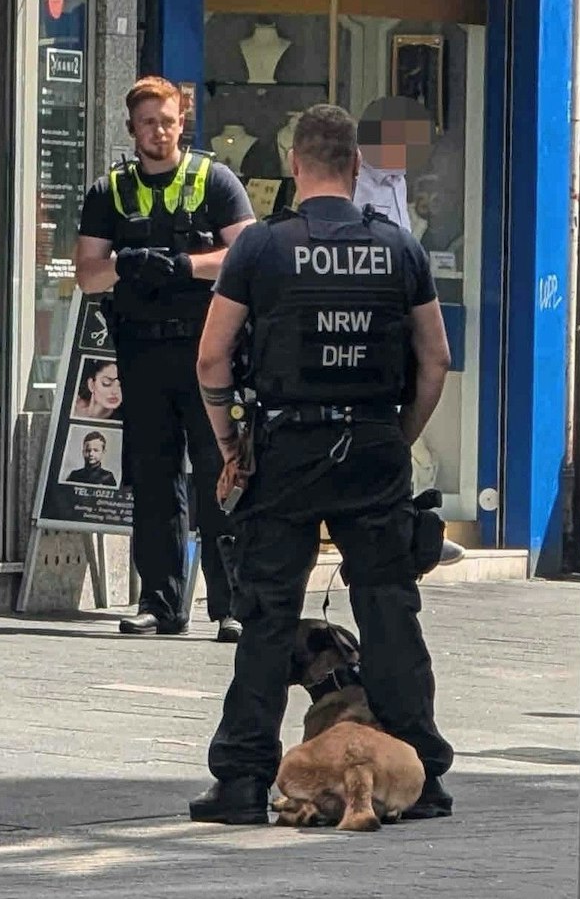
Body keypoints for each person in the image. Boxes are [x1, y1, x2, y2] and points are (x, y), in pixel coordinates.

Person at [188, 103, 453, 824]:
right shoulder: (399, 247)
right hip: (371, 447)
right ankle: (421, 773)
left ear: (296, 163)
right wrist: (398, 435)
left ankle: (242, 779)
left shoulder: (261, 249)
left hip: (286, 450)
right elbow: (435, 359)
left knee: (267, 616)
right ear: (357, 167)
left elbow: (212, 355)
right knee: (390, 610)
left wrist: (230, 445)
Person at [74, 75, 255, 639]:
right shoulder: (109, 192)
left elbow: (248, 254)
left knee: (217, 475)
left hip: (208, 350)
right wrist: (128, 264)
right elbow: (87, 274)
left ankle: (231, 607)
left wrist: (184, 266)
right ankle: (160, 602)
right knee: (152, 479)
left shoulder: (214, 180)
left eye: (168, 121)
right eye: (148, 122)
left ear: (183, 123)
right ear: (131, 128)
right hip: (141, 350)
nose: (159, 131)